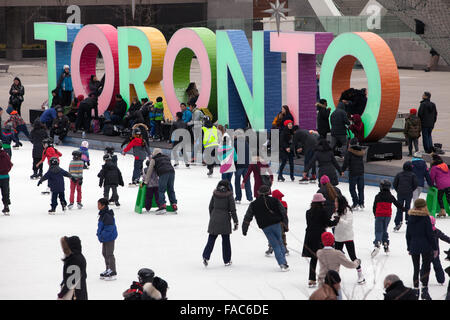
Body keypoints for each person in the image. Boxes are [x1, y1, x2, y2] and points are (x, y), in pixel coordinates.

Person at [243, 185, 289, 271]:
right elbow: (283, 212)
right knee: (280, 242)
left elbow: (248, 216)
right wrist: (286, 225)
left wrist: (244, 228)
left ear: (258, 193)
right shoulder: (275, 200)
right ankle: (283, 263)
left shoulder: (254, 204)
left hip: (265, 227)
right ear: (268, 192)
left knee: (275, 245)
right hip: (276, 224)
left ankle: (283, 263)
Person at [302, 193, 340, 287]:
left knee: (314, 258)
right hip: (320, 237)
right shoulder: (323, 211)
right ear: (320, 202)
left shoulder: (308, 212)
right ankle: (327, 278)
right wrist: (336, 220)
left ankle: (311, 279)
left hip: (310, 236)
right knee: (325, 257)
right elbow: (328, 223)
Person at [406, 198, 437, 300]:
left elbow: (408, 234)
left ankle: (415, 290)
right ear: (424, 206)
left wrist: (409, 247)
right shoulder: (425, 218)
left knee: (416, 268)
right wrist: (435, 247)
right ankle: (424, 289)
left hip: (414, 245)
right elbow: (430, 234)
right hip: (425, 246)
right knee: (426, 267)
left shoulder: (410, 217)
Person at [202, 180, 238, 267]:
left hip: (214, 218)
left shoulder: (215, 194)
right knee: (226, 240)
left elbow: (210, 207)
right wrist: (235, 221)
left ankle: (206, 256)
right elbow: (232, 210)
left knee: (211, 238)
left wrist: (213, 216)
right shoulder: (229, 195)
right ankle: (227, 260)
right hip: (225, 219)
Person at [332, 195, 365, 284]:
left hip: (347, 237)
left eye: (336, 202)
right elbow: (333, 222)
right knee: (336, 258)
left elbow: (348, 224)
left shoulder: (348, 211)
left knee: (352, 256)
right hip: (338, 237)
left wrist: (339, 220)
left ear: (340, 202)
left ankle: (360, 275)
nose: (334, 203)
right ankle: (335, 276)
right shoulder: (336, 211)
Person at [372, 180, 404, 257]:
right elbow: (398, 204)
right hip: (387, 216)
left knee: (378, 231)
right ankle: (385, 243)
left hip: (379, 215)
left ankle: (377, 243)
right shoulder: (391, 196)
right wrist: (405, 209)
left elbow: (374, 207)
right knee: (384, 230)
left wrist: (375, 214)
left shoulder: (378, 196)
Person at [143, 148, 177, 214]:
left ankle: (162, 206)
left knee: (161, 190)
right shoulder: (166, 157)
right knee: (170, 189)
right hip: (172, 172)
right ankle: (174, 205)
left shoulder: (154, 159)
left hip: (163, 173)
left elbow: (149, 171)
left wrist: (146, 181)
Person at [57, 236, 87, 300]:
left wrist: (61, 294)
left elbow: (71, 281)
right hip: (80, 292)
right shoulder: (79, 257)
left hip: (75, 294)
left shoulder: (75, 259)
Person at [393, 161, 418, 231]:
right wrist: (411, 190)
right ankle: (408, 220)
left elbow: (395, 184)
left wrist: (398, 190)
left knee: (399, 208)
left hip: (400, 193)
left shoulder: (399, 174)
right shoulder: (413, 175)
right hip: (408, 193)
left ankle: (398, 222)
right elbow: (415, 184)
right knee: (408, 207)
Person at [97, 198, 118, 280]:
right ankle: (108, 269)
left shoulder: (107, 215)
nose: (98, 206)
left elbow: (109, 228)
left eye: (99, 205)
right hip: (105, 237)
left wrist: (102, 235)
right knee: (104, 253)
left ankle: (113, 271)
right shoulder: (102, 214)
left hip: (109, 237)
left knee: (109, 253)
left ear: (103, 205)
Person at [341, 138, 365, 210]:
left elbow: (346, 163)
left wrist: (342, 170)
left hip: (353, 173)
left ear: (350, 144)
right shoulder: (360, 151)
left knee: (352, 188)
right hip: (361, 172)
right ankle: (361, 203)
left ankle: (355, 203)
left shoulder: (349, 152)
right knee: (361, 189)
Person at [265, 189, 289, 256]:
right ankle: (284, 248)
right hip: (282, 222)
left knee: (271, 235)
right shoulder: (284, 203)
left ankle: (271, 247)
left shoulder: (271, 203)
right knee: (282, 235)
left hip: (273, 222)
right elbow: (285, 214)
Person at [429, 216, 450, 285]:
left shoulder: (424, 231)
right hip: (435, 252)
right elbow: (444, 237)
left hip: (427, 252)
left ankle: (423, 279)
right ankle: (441, 280)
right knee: (437, 266)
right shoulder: (436, 231)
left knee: (425, 266)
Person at [233, 129, 252, 204]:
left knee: (237, 181)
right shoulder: (246, 143)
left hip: (238, 166)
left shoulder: (234, 143)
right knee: (247, 181)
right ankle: (250, 197)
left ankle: (238, 198)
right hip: (247, 165)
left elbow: (233, 155)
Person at [0, 145, 12, 215]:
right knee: (5, 192)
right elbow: (10, 164)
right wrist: (6, 171)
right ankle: (6, 206)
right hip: (5, 177)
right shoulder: (5, 155)